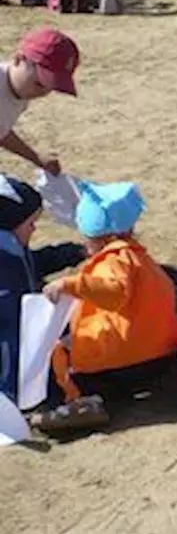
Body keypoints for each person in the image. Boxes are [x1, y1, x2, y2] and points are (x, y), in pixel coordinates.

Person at [33, 181, 177, 432]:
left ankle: (78, 402)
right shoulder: (137, 257)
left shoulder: (114, 261)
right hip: (161, 353)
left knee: (58, 356)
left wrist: (71, 284)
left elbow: (114, 292)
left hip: (126, 361)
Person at [0, 175, 86, 409]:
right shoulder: (6, 267)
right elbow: (11, 329)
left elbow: (32, 263)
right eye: (30, 224)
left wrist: (71, 253)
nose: (35, 228)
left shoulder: (11, 249)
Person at [1, 28, 79, 175]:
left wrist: (36, 158)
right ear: (19, 59)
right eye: (40, 84)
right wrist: (35, 157)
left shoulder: (20, 91)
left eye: (50, 87)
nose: (43, 92)